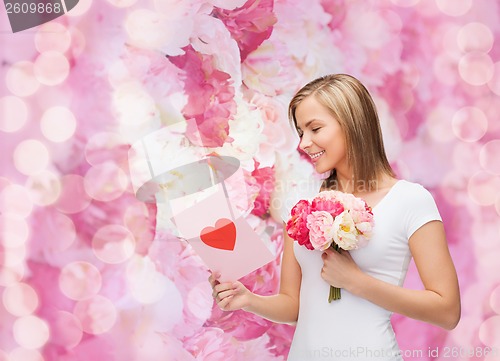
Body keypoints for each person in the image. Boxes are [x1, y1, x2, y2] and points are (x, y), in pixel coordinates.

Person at [208, 74, 460, 360]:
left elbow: (447, 311)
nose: (304, 143)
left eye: (315, 129)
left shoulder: (410, 200)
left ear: (352, 124)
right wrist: (249, 300)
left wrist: (356, 281)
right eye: (301, 132)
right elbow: (294, 306)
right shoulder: (300, 205)